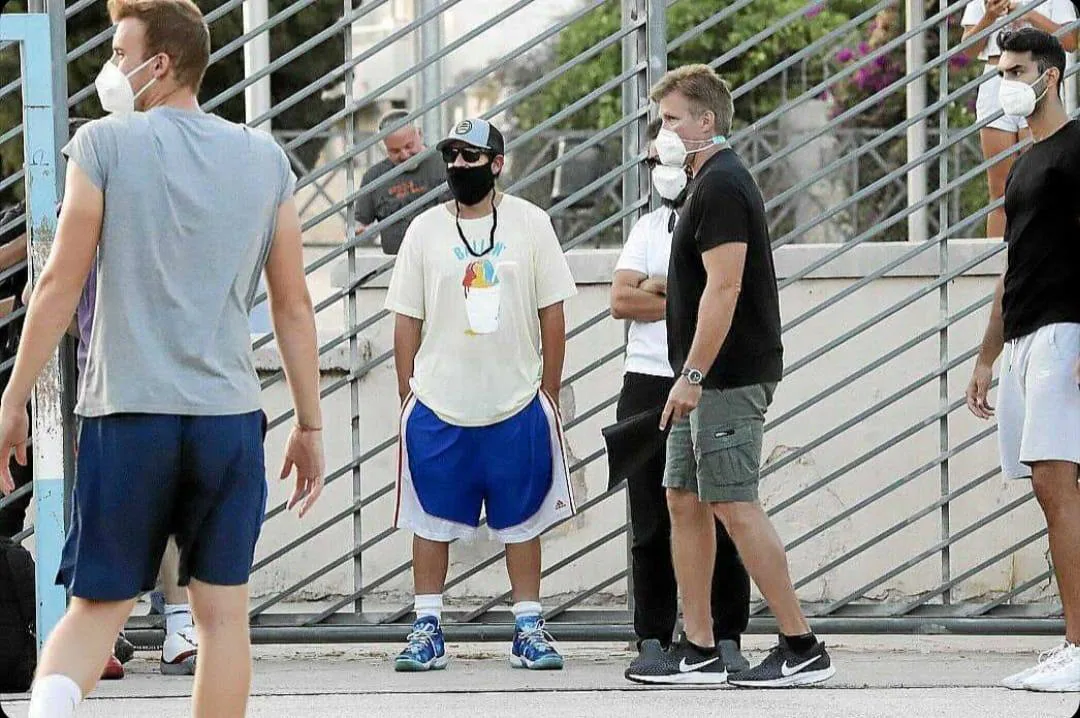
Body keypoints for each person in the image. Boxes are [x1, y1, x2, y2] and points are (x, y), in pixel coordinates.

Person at [0, 2, 325, 717]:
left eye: (120, 53)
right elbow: (293, 305)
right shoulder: (265, 160)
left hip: (129, 415)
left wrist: (13, 397)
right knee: (222, 617)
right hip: (227, 420)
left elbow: (59, 281)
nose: (113, 69)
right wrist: (310, 423)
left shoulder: (104, 146)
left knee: (94, 611)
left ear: (162, 63)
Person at [624, 64, 834, 688]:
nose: (661, 132)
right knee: (682, 498)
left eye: (670, 120)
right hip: (700, 377)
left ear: (705, 121)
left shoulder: (720, 184)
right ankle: (699, 644)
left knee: (733, 502)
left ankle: (801, 646)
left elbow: (727, 285)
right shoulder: (701, 185)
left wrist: (690, 373)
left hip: (725, 376)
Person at [386, 118, 577, 673]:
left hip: (515, 402)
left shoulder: (531, 224)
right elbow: (406, 319)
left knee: (523, 518)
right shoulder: (424, 230)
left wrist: (548, 392)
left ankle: (528, 627)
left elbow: (554, 313)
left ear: (497, 164)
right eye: (453, 157)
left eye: (472, 157)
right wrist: (408, 397)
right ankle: (427, 627)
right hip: (440, 405)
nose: (460, 167)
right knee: (430, 521)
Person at [611, 118, 750, 683]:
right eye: (651, 164)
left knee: (721, 507)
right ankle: (653, 634)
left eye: (667, 160)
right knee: (651, 515)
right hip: (646, 378)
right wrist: (674, 293)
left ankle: (726, 634)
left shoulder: (718, 215)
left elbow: (722, 298)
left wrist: (662, 288)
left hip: (704, 376)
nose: (660, 174)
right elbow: (620, 300)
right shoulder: (647, 228)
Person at [965, 27, 1080, 694]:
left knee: (1055, 483)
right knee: (1049, 488)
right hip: (1025, 339)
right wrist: (985, 356)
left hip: (1067, 334)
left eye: (1014, 69)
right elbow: (1016, 267)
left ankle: (1076, 644)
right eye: (1000, 68)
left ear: (1051, 75)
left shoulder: (1076, 149)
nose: (1005, 80)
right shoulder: (1026, 163)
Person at [960, 0, 1077, 238]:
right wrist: (990, 16)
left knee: (1038, 183)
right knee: (1000, 189)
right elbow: (968, 50)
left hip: (1036, 80)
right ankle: (995, 261)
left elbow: (1070, 42)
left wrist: (1028, 14)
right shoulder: (981, 3)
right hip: (995, 79)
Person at [354, 110, 448, 255]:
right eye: (394, 151)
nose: (404, 155)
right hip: (396, 263)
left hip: (442, 255)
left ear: (420, 135)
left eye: (409, 146)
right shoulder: (374, 178)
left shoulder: (446, 163)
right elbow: (360, 223)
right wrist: (360, 231)